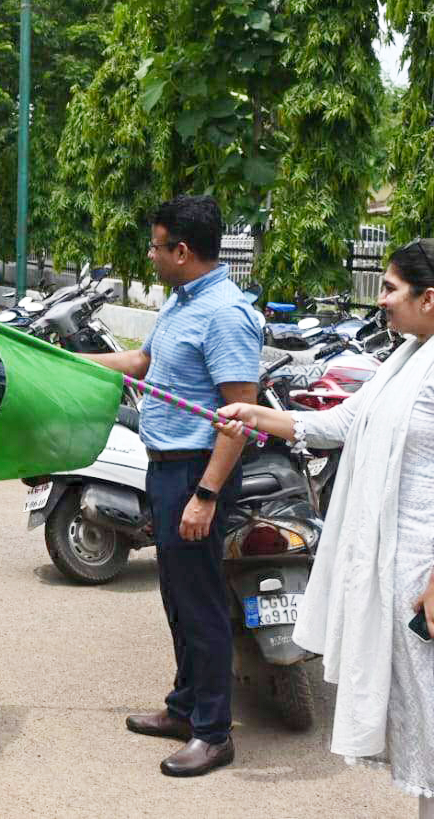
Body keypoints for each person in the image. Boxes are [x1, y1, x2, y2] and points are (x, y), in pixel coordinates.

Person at [217, 239, 434, 815]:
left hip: (425, 576)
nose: (381, 300)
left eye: (390, 289)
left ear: (429, 297)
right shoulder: (408, 355)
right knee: (419, 722)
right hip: (402, 570)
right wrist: (258, 414)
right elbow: (346, 421)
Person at [87, 195, 261, 777]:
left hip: (195, 472)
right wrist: (69, 361)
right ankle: (185, 708)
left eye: (157, 245)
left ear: (181, 251)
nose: (151, 254)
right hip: (165, 467)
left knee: (201, 602)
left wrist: (206, 495)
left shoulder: (226, 315)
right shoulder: (182, 303)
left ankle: (213, 733)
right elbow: (141, 361)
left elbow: (241, 416)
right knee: (176, 596)